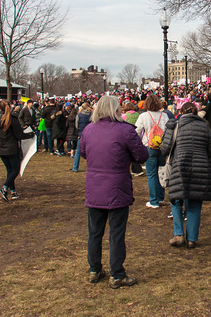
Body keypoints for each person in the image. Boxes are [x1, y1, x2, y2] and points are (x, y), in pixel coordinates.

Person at [79, 96, 149, 289]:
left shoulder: (89, 130)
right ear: (116, 109)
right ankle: (116, 273)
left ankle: (95, 269)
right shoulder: (125, 130)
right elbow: (142, 154)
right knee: (116, 233)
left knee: (95, 232)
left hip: (95, 186)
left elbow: (83, 152)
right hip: (117, 186)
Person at [160, 101, 211, 248]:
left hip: (179, 165)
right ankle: (192, 238)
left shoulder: (174, 125)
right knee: (195, 202)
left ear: (181, 112)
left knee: (176, 200)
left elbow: (165, 149)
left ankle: (179, 235)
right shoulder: (205, 127)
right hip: (201, 167)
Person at [0, 100, 34, 201]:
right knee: (15, 170)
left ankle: (13, 191)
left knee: (10, 170)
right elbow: (19, 135)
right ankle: (5, 187)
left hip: (1, 148)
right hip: (11, 148)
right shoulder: (11, 119)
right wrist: (30, 134)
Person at [135, 93, 169, 209]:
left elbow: (137, 132)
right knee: (161, 172)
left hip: (148, 146)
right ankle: (160, 197)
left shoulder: (144, 116)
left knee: (151, 174)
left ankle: (153, 200)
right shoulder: (164, 116)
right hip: (162, 147)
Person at [70, 102, 92, 172]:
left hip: (81, 135)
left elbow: (76, 126)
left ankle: (75, 167)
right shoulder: (91, 115)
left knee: (78, 152)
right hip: (89, 135)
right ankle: (91, 167)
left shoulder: (79, 115)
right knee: (91, 152)